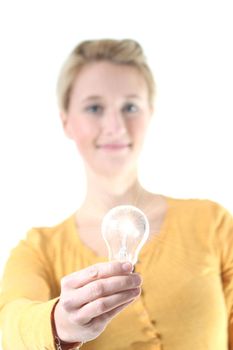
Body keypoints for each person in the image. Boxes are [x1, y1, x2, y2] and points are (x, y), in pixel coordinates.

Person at [0, 39, 233, 350]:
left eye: (130, 107)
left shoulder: (211, 223)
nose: (115, 126)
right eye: (94, 107)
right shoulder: (39, 251)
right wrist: (59, 322)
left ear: (150, 113)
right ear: (66, 120)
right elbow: (10, 324)